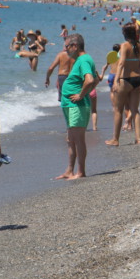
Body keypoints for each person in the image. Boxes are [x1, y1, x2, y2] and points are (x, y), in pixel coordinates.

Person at [57, 34, 98, 180]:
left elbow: (90, 79)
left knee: (78, 139)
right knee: (70, 139)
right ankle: (69, 170)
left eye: (67, 46)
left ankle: (80, 172)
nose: (65, 49)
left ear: (75, 46)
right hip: (70, 104)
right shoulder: (81, 60)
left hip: (77, 105)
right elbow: (97, 78)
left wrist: (81, 95)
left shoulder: (84, 60)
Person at [105, 24, 140, 146]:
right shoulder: (139, 45)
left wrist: (116, 80)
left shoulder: (124, 46)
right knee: (135, 111)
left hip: (126, 80)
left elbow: (121, 63)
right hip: (137, 80)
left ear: (124, 34)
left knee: (118, 110)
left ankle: (115, 139)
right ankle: (138, 138)